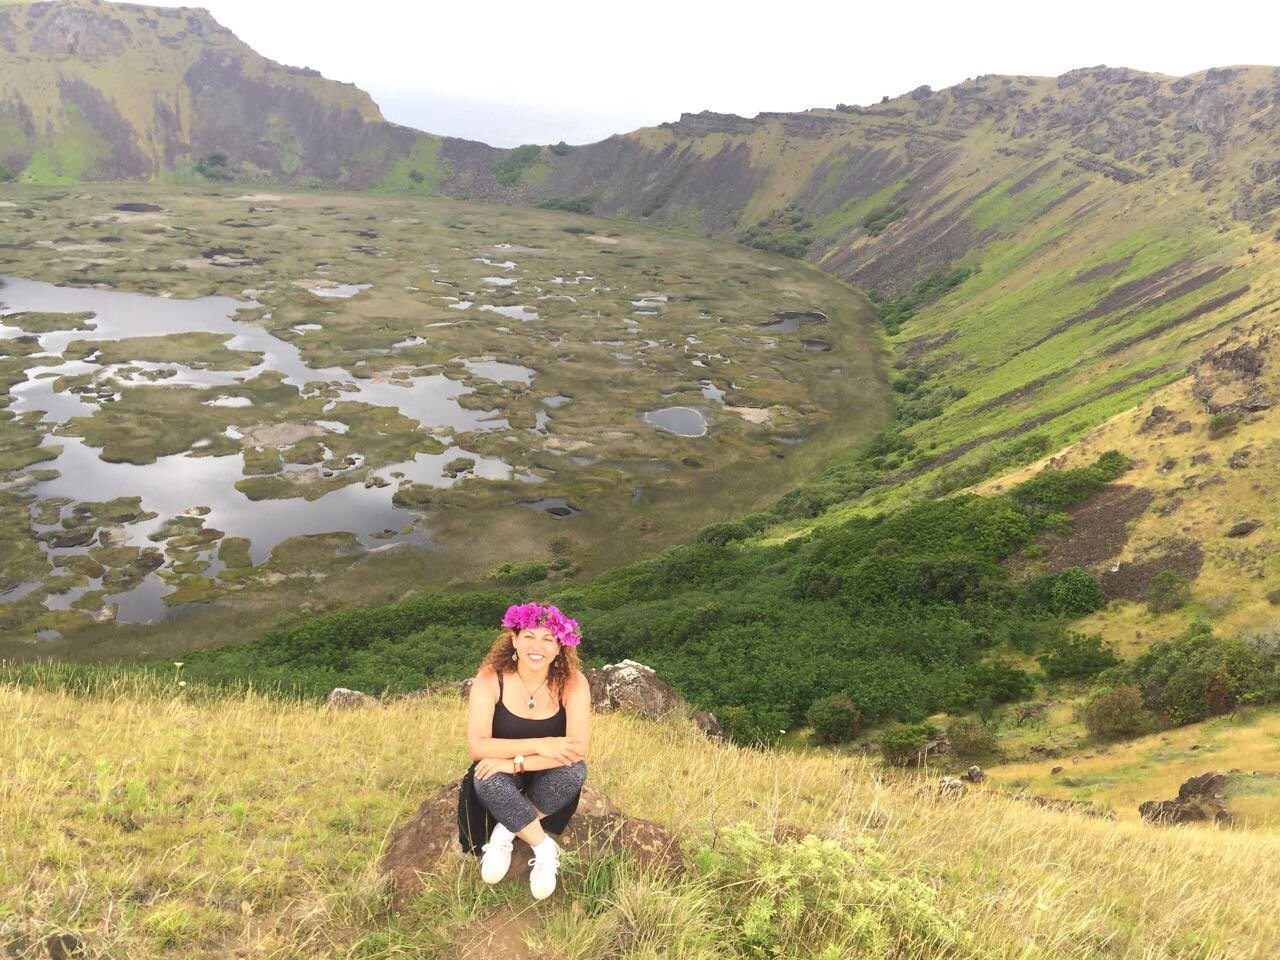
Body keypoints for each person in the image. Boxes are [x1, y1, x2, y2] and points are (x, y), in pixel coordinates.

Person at [458, 603, 591, 899]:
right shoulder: (491, 679)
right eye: (529, 636)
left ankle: (505, 832)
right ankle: (544, 850)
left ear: (560, 648)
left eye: (548, 639)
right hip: (502, 773)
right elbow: (477, 746)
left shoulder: (573, 683)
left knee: (575, 772)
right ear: (514, 640)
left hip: (543, 770)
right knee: (486, 777)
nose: (537, 646)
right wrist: (537, 745)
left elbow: (577, 750)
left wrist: (515, 763)